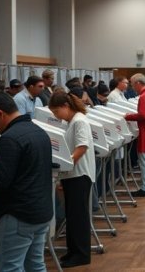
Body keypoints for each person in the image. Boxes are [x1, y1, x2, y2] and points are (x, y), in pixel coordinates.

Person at [0, 93, 52, 271]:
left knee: (10, 267)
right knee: (36, 265)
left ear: (0, 113)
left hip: (18, 214)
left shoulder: (9, 139)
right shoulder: (39, 132)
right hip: (41, 211)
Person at [48, 91, 96, 268]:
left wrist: (68, 165)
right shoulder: (71, 122)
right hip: (72, 175)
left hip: (79, 175)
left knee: (78, 217)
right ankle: (73, 251)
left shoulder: (79, 120)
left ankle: (82, 254)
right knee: (72, 216)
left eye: (56, 111)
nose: (55, 116)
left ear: (65, 106)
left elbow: (81, 147)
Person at [124, 74, 145, 196]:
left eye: (133, 84)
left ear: (138, 83)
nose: (133, 87)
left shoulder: (144, 96)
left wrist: (127, 116)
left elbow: (143, 115)